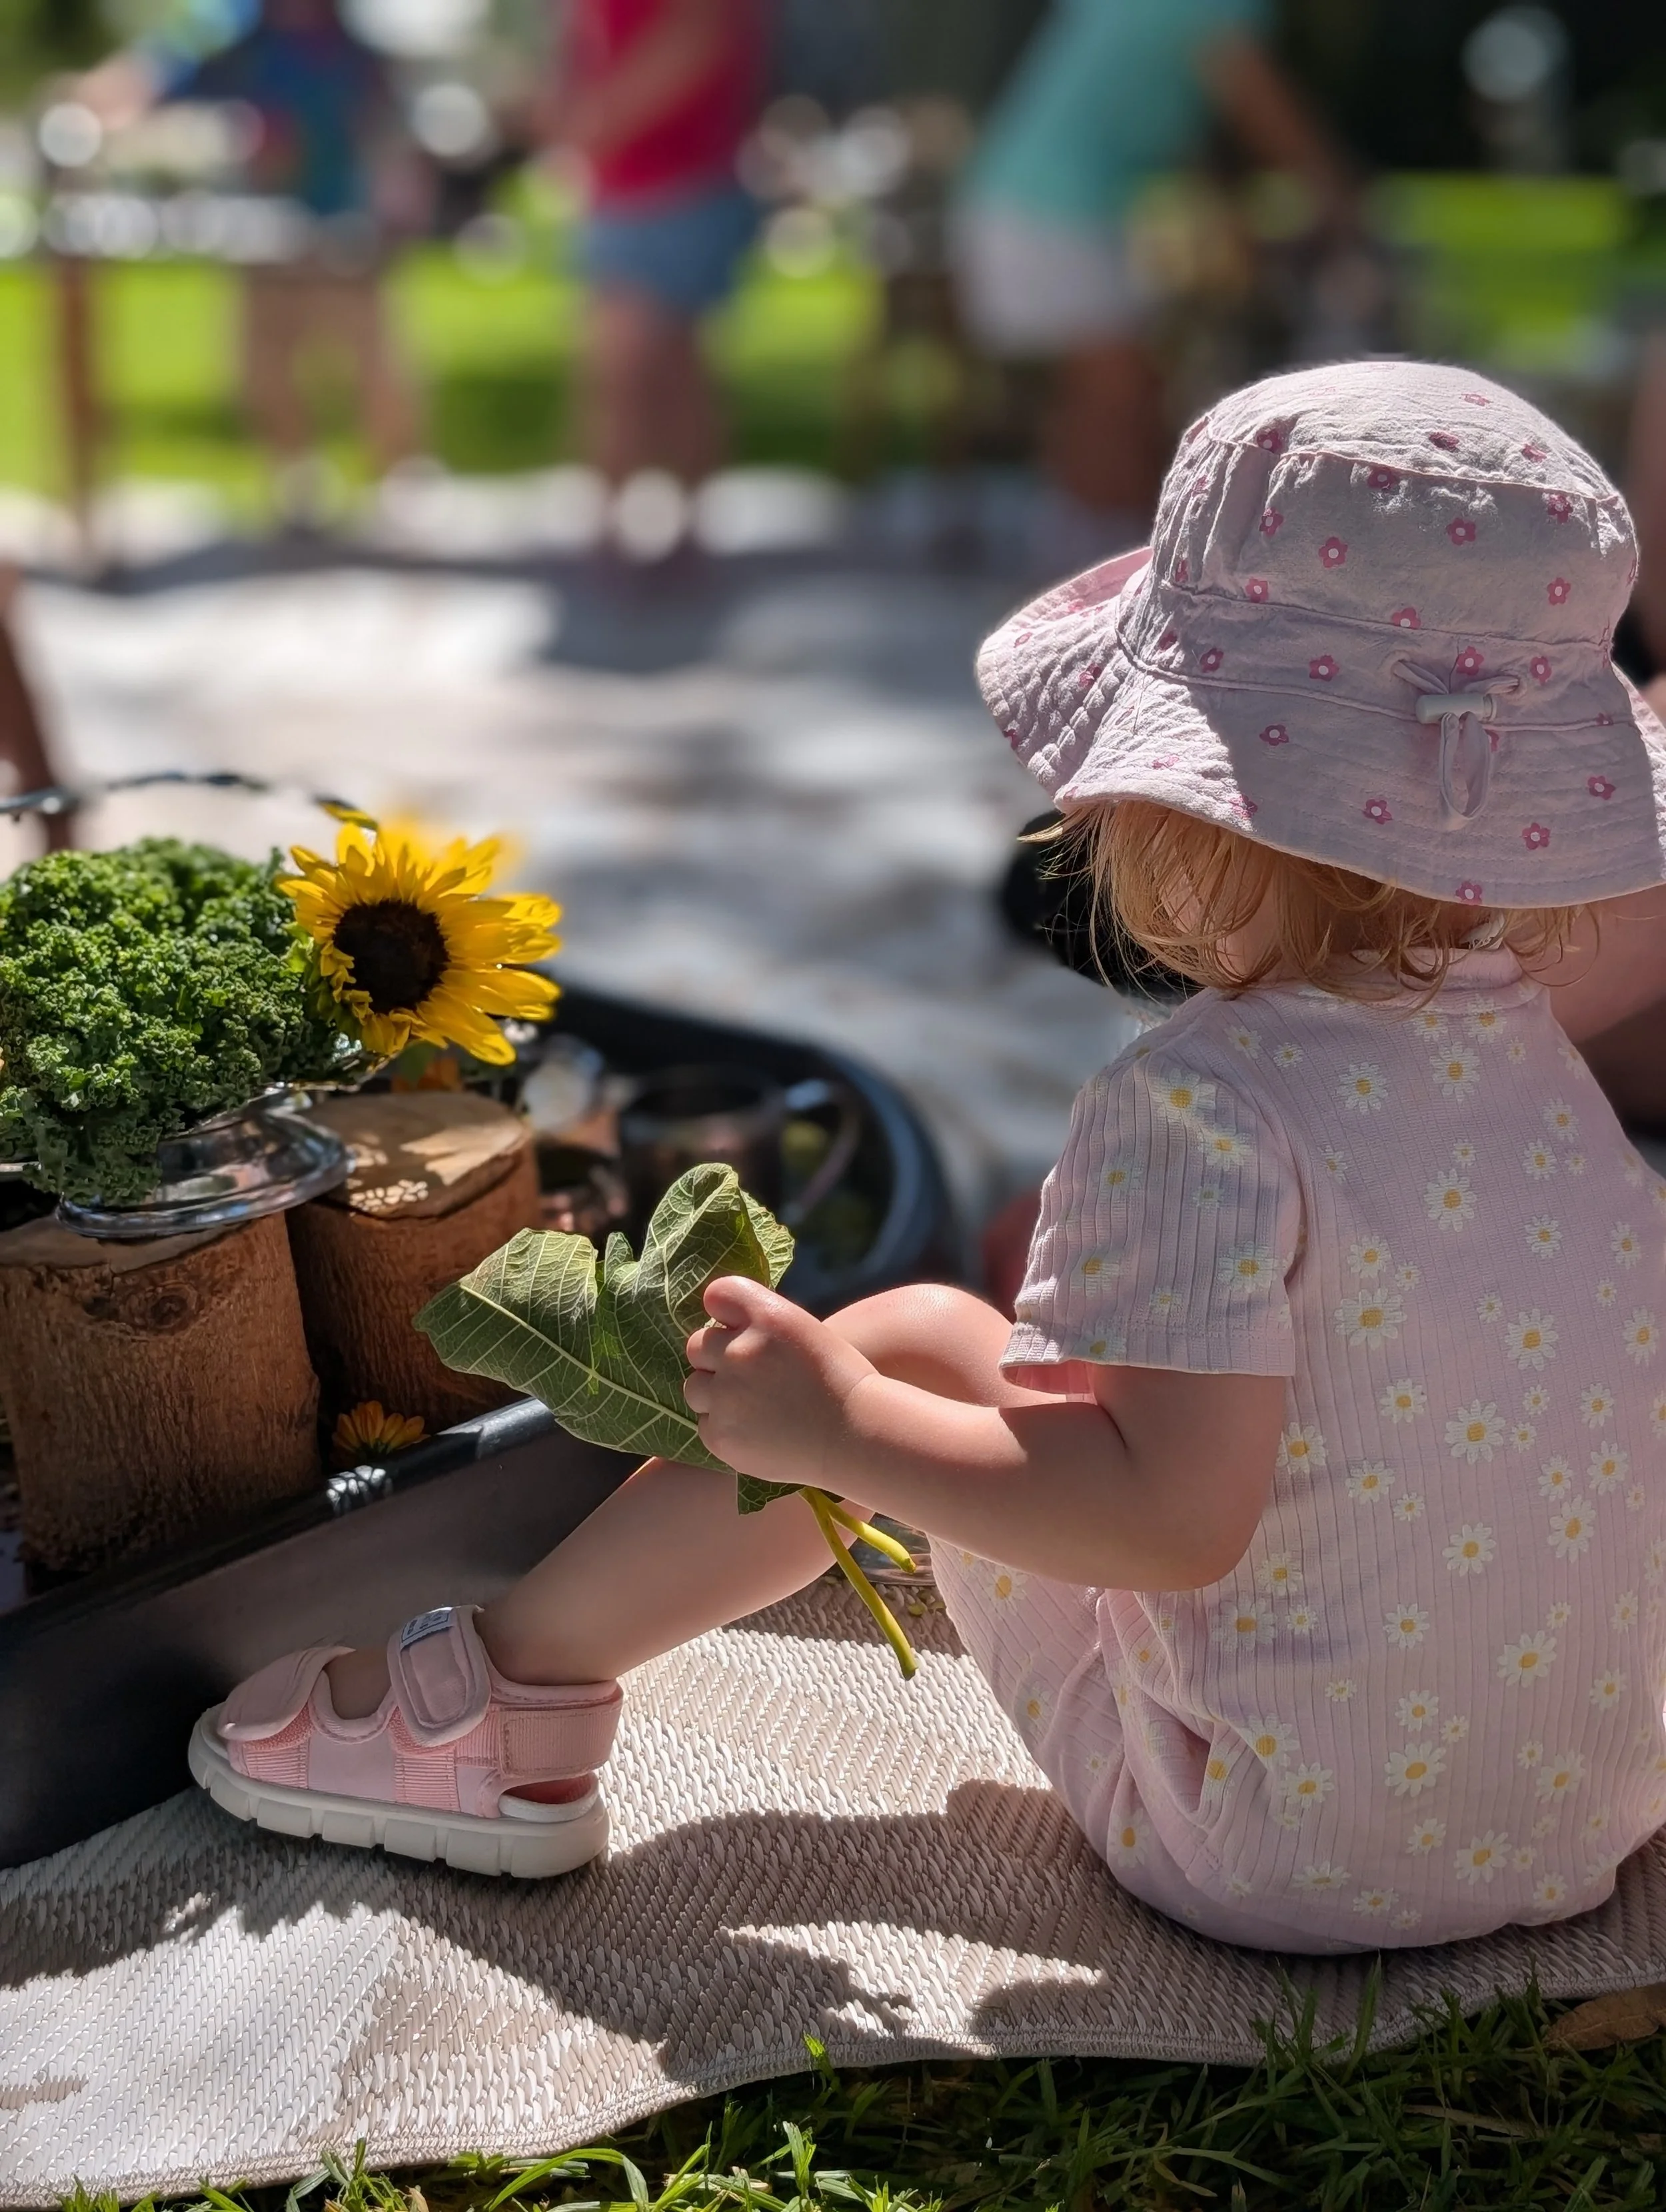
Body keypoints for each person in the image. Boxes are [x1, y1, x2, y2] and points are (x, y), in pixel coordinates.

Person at [193, 358, 1666, 1953]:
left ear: (1174, 805)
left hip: (1290, 1848)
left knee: (908, 1343)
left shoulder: (1200, 1109)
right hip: (1586, 1804)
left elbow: (1169, 1527)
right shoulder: (1537, 1063)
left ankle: (495, 1704)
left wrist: (845, 1426)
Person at [952, 0, 1356, 556]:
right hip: (1049, 210)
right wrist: (1338, 195)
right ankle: (1103, 563)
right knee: (1118, 399)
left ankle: (1100, 552)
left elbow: (1170, 110)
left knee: (1122, 398)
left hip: (1042, 203)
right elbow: (1257, 101)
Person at [80, 0, 423, 521]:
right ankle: (297, 486)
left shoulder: (356, 52)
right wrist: (101, 101)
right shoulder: (239, 41)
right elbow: (154, 76)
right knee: (264, 364)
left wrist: (394, 197)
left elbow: (395, 137)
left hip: (347, 233)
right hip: (263, 233)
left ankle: (397, 481)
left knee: (373, 359)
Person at [541, 0, 766, 521]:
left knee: (642, 367)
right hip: (620, 185)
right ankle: (633, 526)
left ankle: (649, 529)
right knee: (646, 369)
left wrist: (600, 117)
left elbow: (702, 33)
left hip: (684, 181)